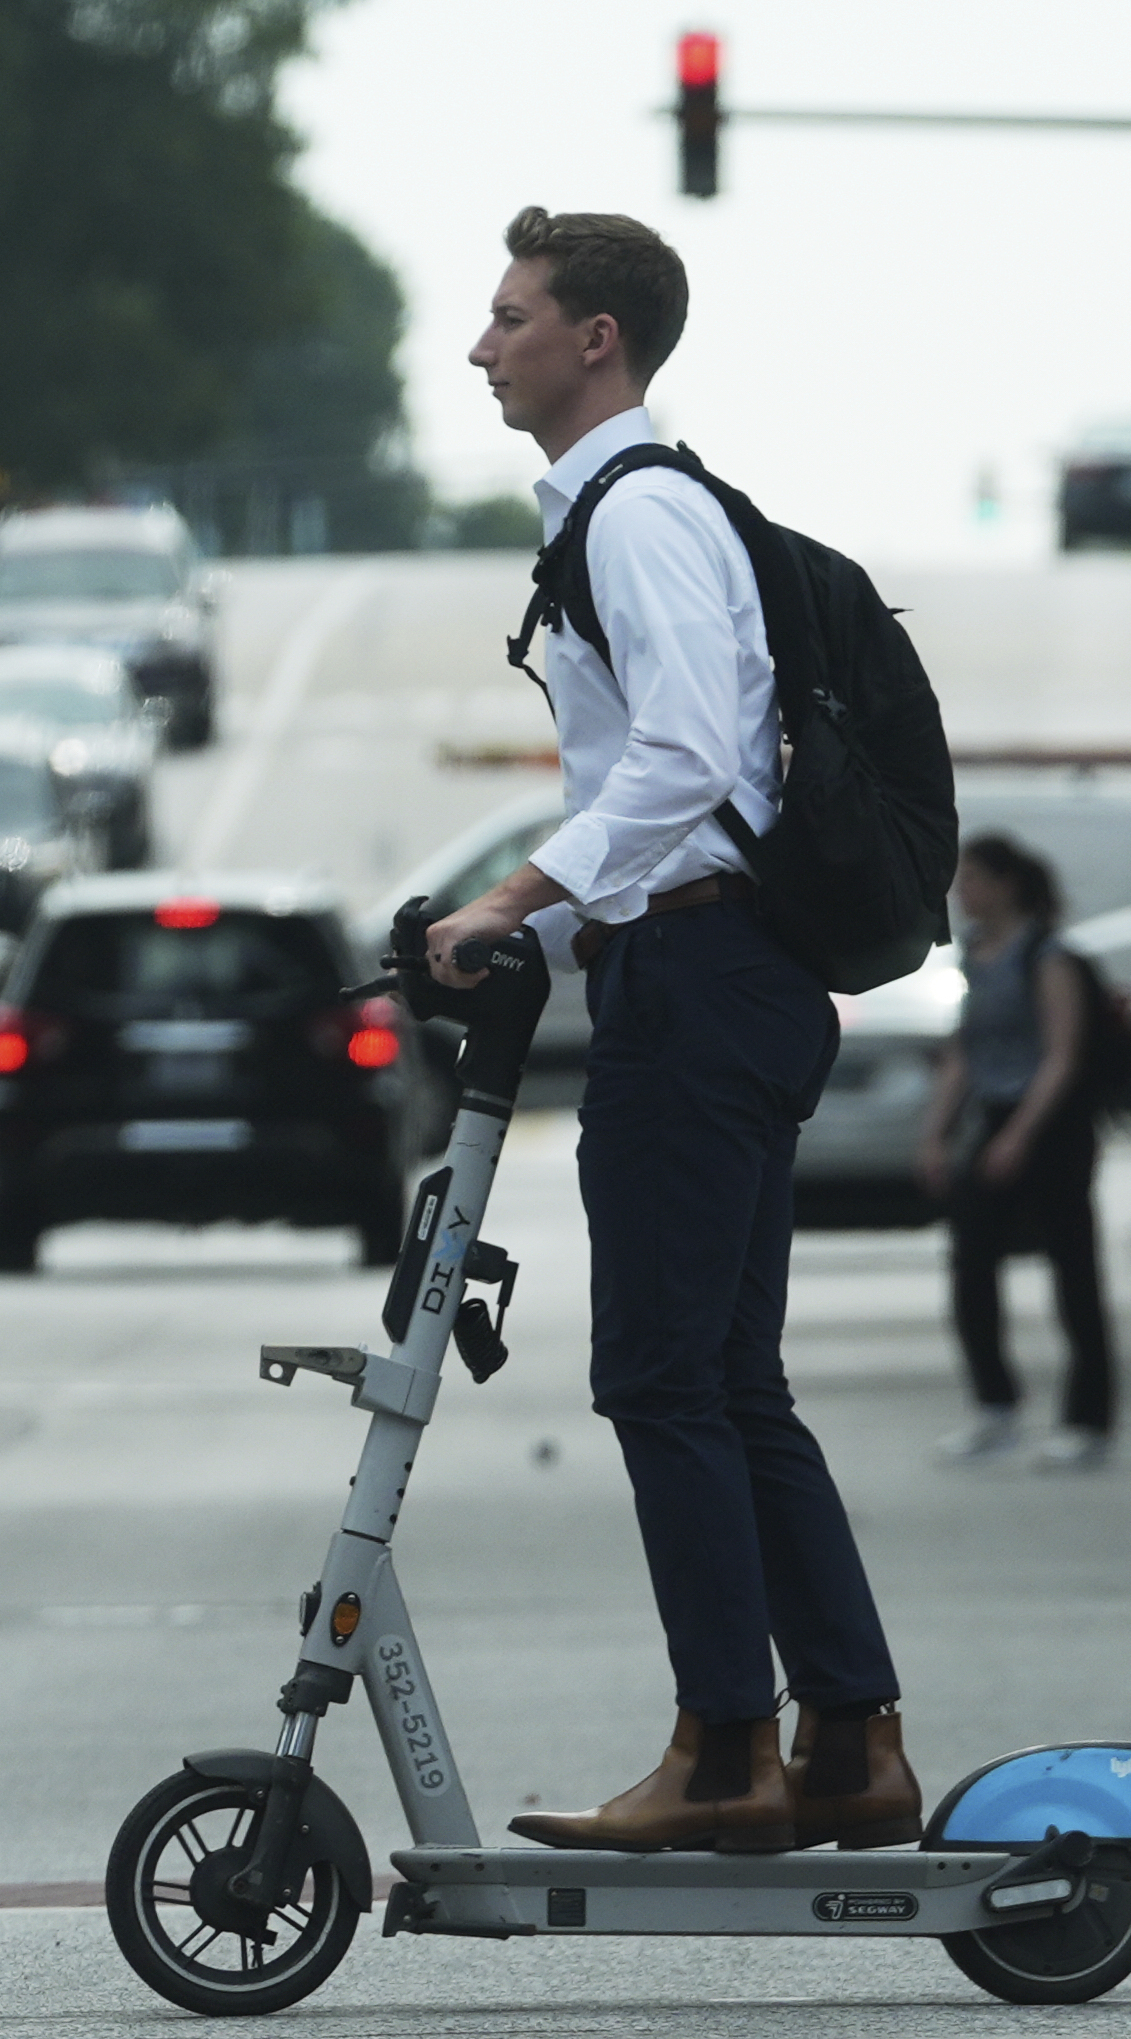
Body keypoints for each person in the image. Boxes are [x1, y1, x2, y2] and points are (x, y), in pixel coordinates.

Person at [422, 206, 917, 1855]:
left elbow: (689, 765)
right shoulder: (630, 515)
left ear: (595, 342)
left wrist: (514, 893)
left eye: (507, 318)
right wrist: (536, 926)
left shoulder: (634, 517)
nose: (479, 345)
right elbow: (669, 802)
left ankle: (723, 1752)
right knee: (725, 1379)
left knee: (658, 1371)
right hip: (720, 974)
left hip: (699, 993)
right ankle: (845, 1737)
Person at [915, 834, 1117, 1471]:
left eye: (972, 878)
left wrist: (1020, 1136)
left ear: (1006, 884)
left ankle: (1088, 1418)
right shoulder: (975, 953)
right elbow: (964, 1054)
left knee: (1072, 1269)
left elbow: (1062, 1055)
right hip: (994, 1119)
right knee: (970, 1263)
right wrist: (937, 1133)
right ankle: (995, 1406)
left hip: (1051, 1124)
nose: (962, 892)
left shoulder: (1047, 956)